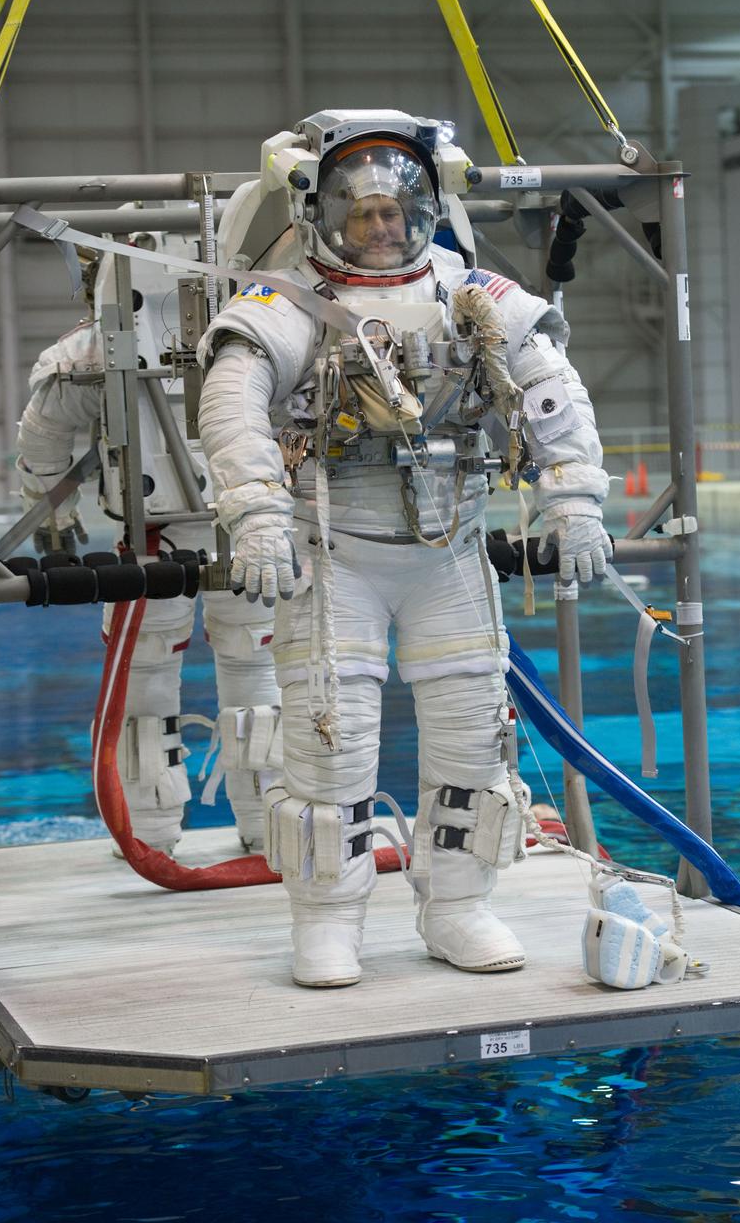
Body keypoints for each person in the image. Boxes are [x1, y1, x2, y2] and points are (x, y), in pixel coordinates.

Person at [197, 109, 611, 987]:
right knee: (330, 745)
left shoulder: (477, 295)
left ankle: (458, 906)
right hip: (334, 548)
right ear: (325, 217)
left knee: (471, 742)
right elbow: (233, 405)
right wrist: (258, 514)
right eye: (362, 214)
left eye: (395, 211)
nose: (381, 229)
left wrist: (572, 500)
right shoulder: (285, 302)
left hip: (446, 548)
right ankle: (327, 920)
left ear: (423, 208)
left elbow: (550, 395)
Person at [15, 231, 282, 857]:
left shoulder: (90, 351)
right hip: (224, 528)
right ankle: (261, 824)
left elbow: (43, 437)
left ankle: (154, 833)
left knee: (152, 680)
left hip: (171, 532)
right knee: (251, 671)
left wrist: (49, 510)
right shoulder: (261, 339)